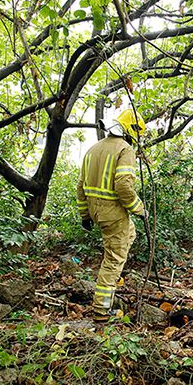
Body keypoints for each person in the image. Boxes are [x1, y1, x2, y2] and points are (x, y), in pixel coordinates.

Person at [77, 109, 147, 320]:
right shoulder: (125, 149)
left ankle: (114, 271)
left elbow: (80, 186)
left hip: (97, 211)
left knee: (129, 234)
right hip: (113, 212)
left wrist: (85, 215)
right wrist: (139, 208)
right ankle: (102, 309)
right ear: (130, 130)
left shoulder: (92, 149)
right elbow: (124, 186)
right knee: (114, 259)